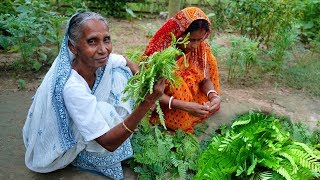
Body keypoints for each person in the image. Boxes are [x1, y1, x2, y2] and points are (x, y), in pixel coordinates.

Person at [22, 11, 164, 179]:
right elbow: (109, 143)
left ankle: (110, 128)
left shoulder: (100, 59)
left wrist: (142, 79)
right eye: (92, 41)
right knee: (104, 110)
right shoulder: (72, 87)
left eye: (106, 39)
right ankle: (84, 153)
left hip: (85, 115)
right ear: (73, 46)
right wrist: (146, 103)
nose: (103, 50)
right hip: (58, 150)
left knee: (121, 73)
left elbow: (124, 60)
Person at [144, 7, 221, 133]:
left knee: (210, 60)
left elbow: (204, 78)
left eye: (199, 40)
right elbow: (149, 91)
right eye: (191, 40)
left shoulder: (200, 48)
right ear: (179, 33)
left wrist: (213, 96)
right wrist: (184, 106)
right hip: (165, 104)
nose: (195, 45)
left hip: (191, 101)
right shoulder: (160, 53)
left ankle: (192, 110)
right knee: (177, 84)